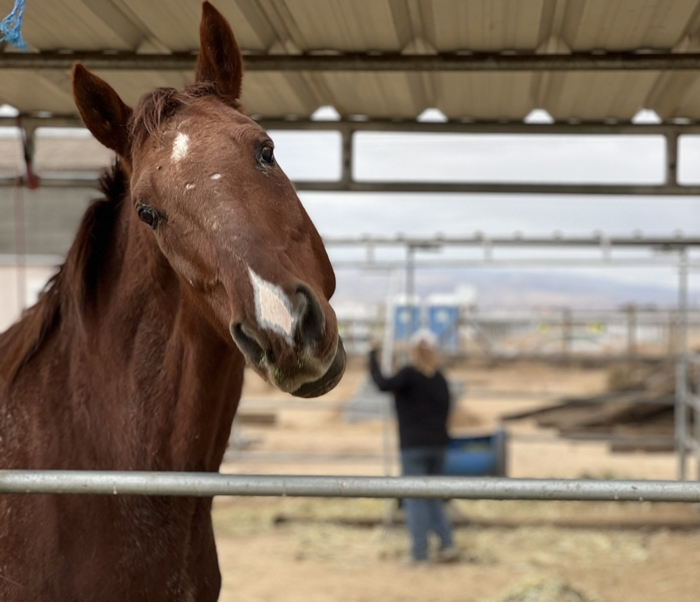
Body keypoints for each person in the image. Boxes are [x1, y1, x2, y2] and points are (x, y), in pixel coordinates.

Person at [368, 329, 457, 564]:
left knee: (414, 497)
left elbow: (383, 384)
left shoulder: (409, 375)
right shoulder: (440, 379)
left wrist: (372, 356)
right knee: (434, 496)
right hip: (438, 445)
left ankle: (420, 552)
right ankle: (447, 544)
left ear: (413, 351)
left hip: (414, 446)